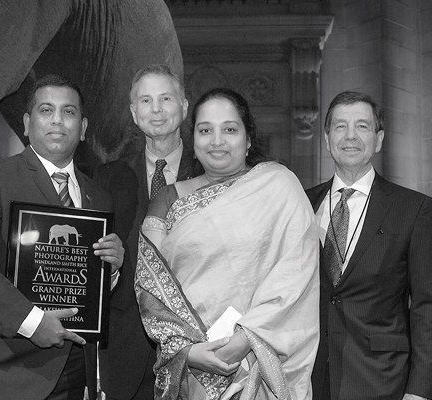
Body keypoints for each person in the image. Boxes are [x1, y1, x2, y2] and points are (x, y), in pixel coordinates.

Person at [0, 74, 124, 400]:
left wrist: (109, 270)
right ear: (27, 123)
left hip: (76, 371)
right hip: (4, 372)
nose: (57, 120)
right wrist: (31, 321)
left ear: (83, 128)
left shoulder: (99, 196)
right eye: (46, 110)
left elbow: (88, 287)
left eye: (68, 112)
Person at [135, 88, 319, 399]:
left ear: (248, 140)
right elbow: (149, 285)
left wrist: (248, 338)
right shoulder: (168, 199)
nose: (217, 140)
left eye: (230, 130)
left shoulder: (279, 186)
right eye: (205, 130)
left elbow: (297, 274)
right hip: (191, 370)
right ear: (193, 141)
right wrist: (188, 352)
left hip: (259, 362)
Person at [306, 91, 432, 400]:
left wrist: (420, 391)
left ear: (379, 139)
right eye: (340, 126)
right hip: (308, 380)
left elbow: (428, 307)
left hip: (382, 381)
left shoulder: (413, 208)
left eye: (362, 126)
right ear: (327, 139)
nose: (350, 136)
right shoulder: (301, 203)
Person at [94, 64, 201, 400]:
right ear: (133, 112)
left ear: (184, 107)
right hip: (124, 348)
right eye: (145, 101)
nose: (156, 109)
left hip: (198, 347)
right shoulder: (108, 178)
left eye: (165, 98)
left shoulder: (209, 174)